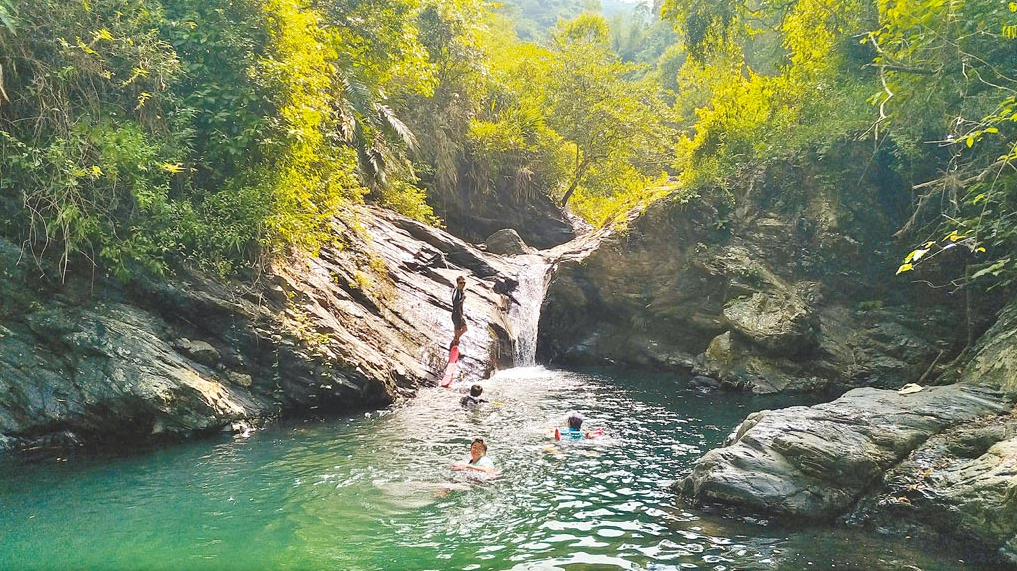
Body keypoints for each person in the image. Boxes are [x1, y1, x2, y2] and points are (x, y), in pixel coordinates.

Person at [451, 275, 468, 348]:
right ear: (457, 283)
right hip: (456, 315)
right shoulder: (456, 292)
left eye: (464, 283)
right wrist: (462, 300)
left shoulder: (460, 291)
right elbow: (455, 304)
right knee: (463, 330)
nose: (463, 285)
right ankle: (454, 343)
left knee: (459, 332)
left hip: (459, 314)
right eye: (461, 283)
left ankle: (454, 342)